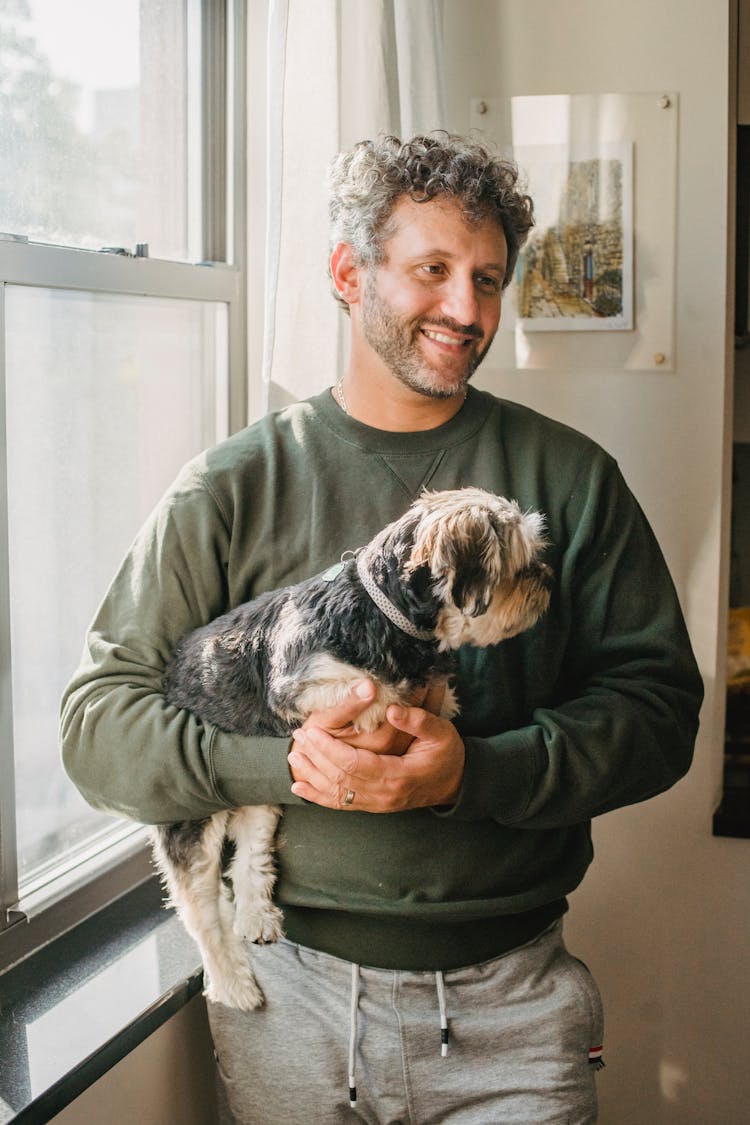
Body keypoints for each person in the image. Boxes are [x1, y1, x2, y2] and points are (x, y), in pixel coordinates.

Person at [61, 134, 703, 1124]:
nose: (466, 310)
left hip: (516, 1013)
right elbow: (98, 734)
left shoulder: (574, 482)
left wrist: (468, 775)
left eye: (488, 279)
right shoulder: (230, 488)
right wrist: (291, 766)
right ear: (346, 273)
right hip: (289, 1002)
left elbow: (658, 716)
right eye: (432, 271)